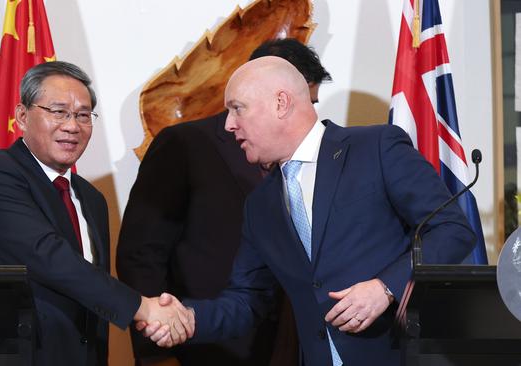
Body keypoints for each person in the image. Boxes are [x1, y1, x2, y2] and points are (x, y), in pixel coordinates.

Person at [142, 56, 476, 365]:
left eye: (237, 109)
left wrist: (385, 288)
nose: (229, 124)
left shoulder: (375, 148)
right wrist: (189, 318)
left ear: (280, 103)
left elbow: (451, 230)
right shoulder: (260, 205)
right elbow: (248, 299)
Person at [0, 61, 194, 366]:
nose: (72, 125)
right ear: (21, 115)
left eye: (83, 115)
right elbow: (49, 256)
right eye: (58, 112)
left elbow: (91, 289)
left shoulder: (90, 198)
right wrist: (143, 308)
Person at [117, 39, 330, 366]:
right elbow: (141, 253)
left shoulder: (323, 155)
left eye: (312, 102)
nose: (309, 116)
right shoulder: (184, 144)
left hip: (296, 343)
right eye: (299, 100)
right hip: (209, 345)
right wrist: (156, 354)